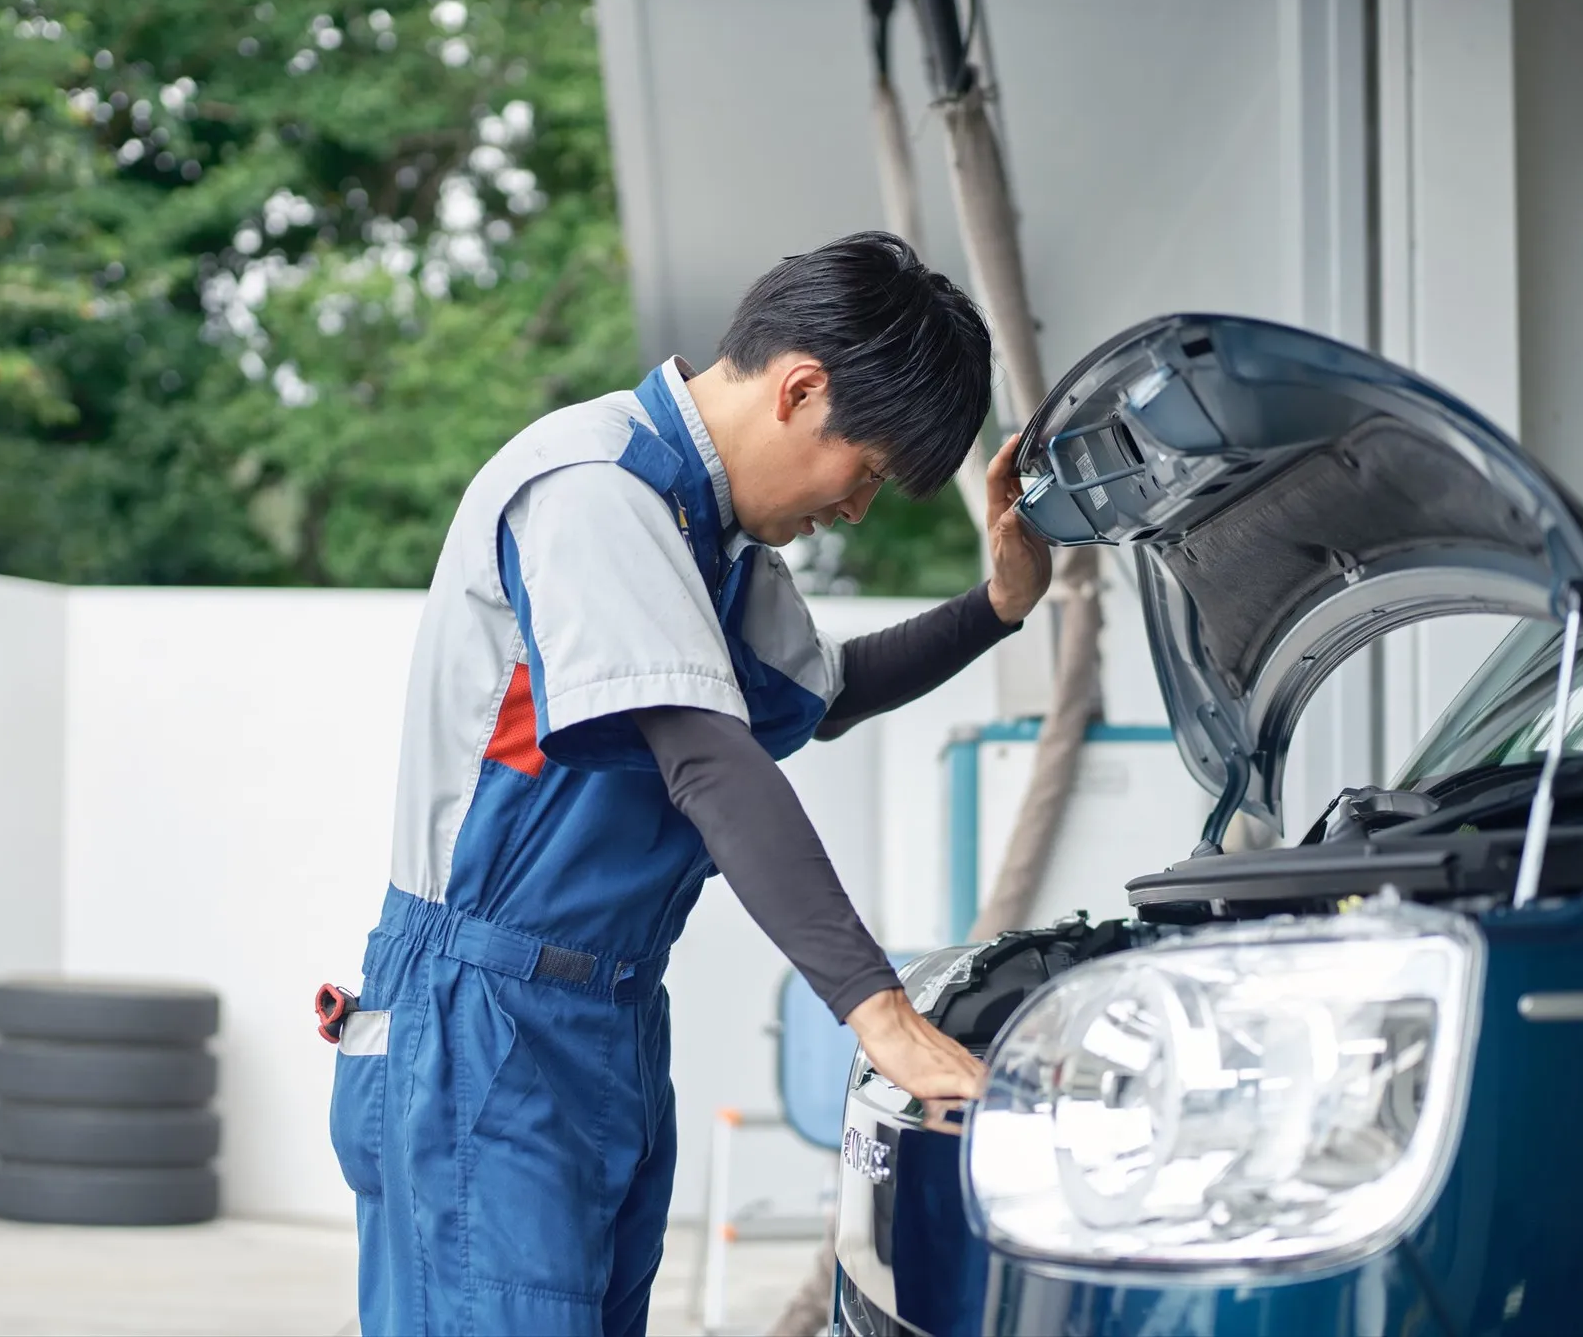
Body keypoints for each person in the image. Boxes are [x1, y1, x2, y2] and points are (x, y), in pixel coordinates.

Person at [326, 231, 1054, 1336]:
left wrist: (994, 607)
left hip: (604, 1019)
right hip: (482, 1021)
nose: (854, 513)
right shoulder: (592, 486)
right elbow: (711, 757)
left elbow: (830, 689)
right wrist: (880, 1013)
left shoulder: (716, 549)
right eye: (864, 477)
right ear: (802, 390)